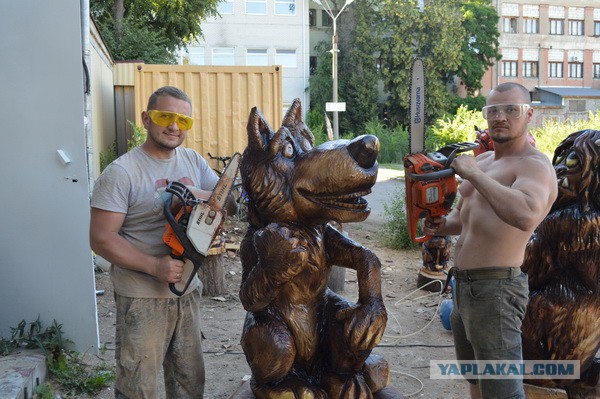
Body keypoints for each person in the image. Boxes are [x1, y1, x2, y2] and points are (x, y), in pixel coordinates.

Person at [90, 86, 236, 398]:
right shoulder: (122, 172)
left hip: (186, 289)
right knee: (137, 385)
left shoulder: (193, 161)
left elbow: (228, 200)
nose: (173, 126)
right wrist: (154, 265)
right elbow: (101, 239)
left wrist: (207, 198)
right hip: (141, 296)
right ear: (146, 119)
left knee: (189, 381)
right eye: (165, 116)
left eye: (183, 120)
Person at [424, 82, 558, 399]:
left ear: (529, 114)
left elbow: (526, 214)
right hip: (462, 287)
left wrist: (473, 175)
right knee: (476, 381)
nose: (500, 117)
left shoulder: (534, 166)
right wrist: (440, 224)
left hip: (497, 290)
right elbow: (464, 219)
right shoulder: (482, 163)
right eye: (493, 110)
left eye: (511, 109)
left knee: (503, 391)